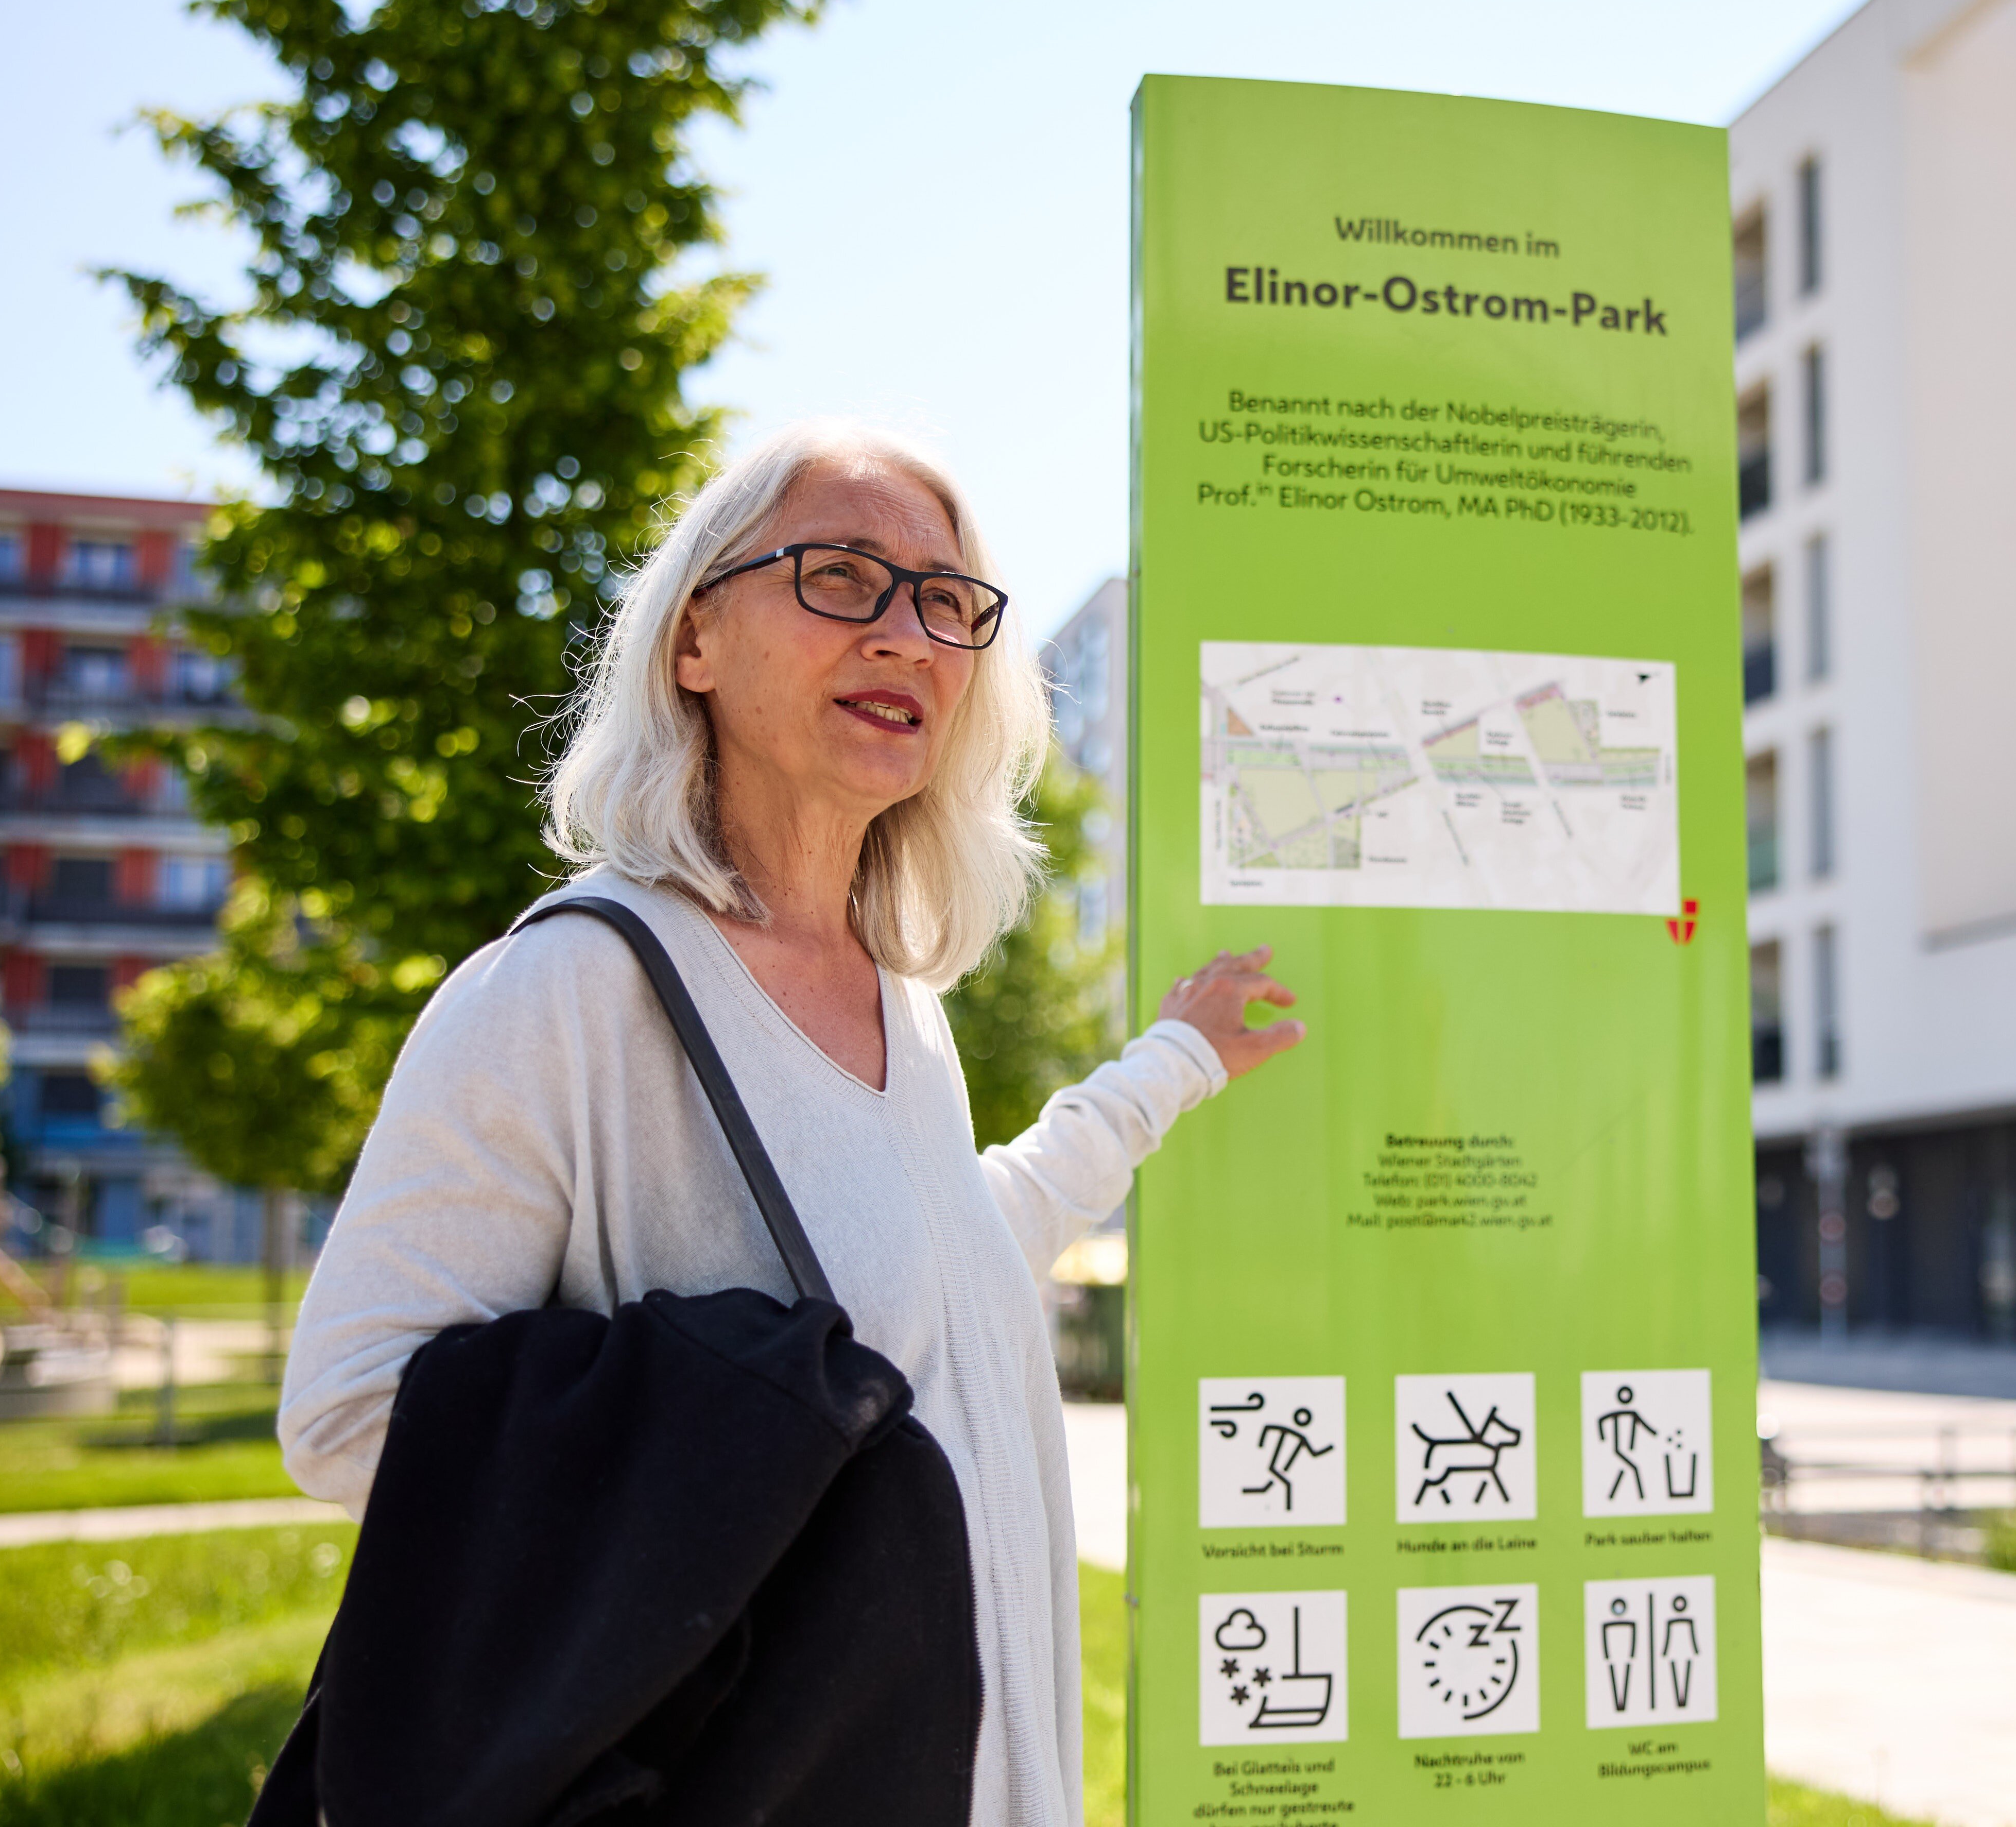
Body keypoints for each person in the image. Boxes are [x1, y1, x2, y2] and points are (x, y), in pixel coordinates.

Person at [279, 417, 1303, 1825]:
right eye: (840, 576)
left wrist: (1172, 1062)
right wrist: (721, 1417)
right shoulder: (570, 990)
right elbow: (345, 1412)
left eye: (948, 604)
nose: (908, 635)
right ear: (692, 641)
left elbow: (936, 1268)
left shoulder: (903, 1001)